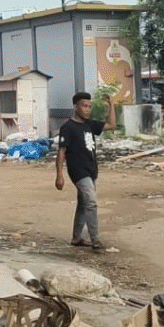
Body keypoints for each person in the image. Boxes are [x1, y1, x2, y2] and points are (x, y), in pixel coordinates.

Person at [55, 92, 117, 251]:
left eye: (89, 106)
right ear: (76, 107)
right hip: (78, 171)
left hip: (91, 170)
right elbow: (62, 151)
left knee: (83, 203)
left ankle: (76, 238)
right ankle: (95, 240)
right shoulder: (67, 127)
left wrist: (112, 105)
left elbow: (112, 125)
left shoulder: (89, 125)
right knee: (91, 202)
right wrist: (59, 175)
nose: (88, 109)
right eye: (84, 106)